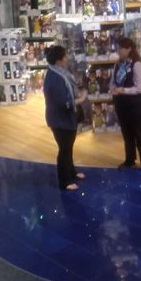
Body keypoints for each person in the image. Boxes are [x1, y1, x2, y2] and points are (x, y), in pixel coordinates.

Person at [44, 45, 87, 190]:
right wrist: (80, 99)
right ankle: (65, 181)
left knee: (68, 148)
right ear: (59, 60)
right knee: (64, 149)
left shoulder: (59, 73)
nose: (67, 59)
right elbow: (63, 102)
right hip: (60, 120)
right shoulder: (55, 77)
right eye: (64, 56)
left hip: (65, 118)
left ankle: (71, 172)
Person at [111, 38, 141, 174]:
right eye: (118, 48)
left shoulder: (137, 64)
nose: (118, 51)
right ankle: (130, 160)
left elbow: (139, 88)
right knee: (127, 134)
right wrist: (113, 89)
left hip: (135, 104)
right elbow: (113, 81)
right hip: (121, 103)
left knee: (140, 133)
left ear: (129, 49)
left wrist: (123, 90)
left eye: (121, 48)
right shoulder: (118, 64)